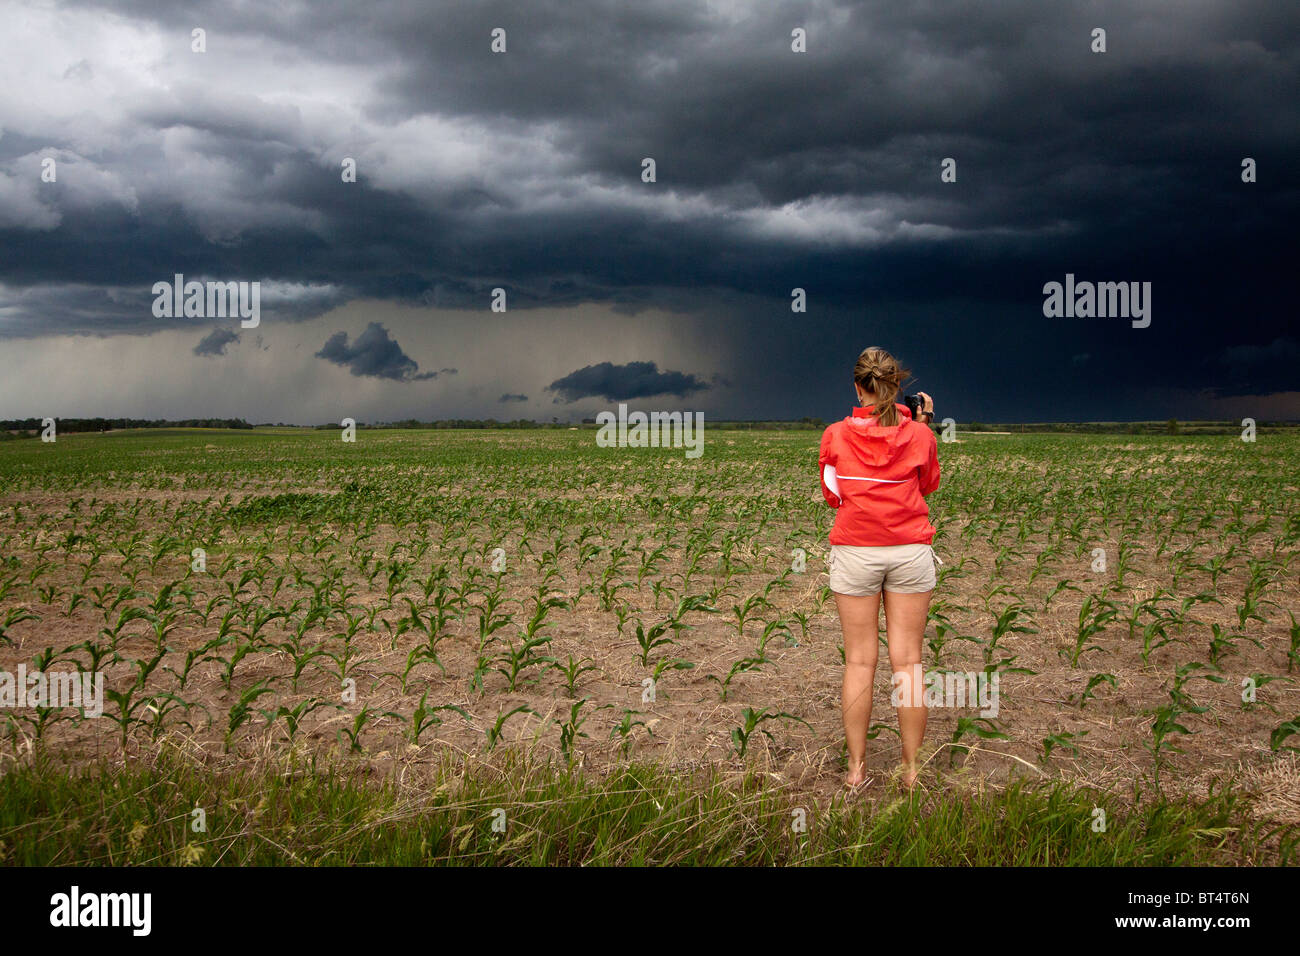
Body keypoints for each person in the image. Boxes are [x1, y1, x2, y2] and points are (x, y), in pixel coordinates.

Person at [818, 346, 938, 791]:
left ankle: (856, 770)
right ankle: (911, 772)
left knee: (859, 662)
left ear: (857, 386)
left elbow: (834, 495)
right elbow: (926, 484)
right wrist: (921, 425)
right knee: (909, 662)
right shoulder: (921, 436)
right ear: (898, 386)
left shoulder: (834, 435)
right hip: (909, 550)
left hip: (856, 552)